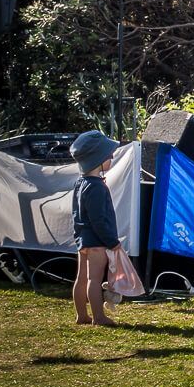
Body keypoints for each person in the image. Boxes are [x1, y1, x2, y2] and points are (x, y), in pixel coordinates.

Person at [70, 130, 124, 326]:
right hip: (96, 242)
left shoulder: (79, 183)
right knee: (94, 279)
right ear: (98, 158)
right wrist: (112, 242)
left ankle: (81, 315)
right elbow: (99, 220)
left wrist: (79, 237)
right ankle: (99, 317)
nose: (111, 156)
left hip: (82, 239)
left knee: (81, 278)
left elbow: (77, 213)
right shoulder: (97, 188)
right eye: (108, 154)